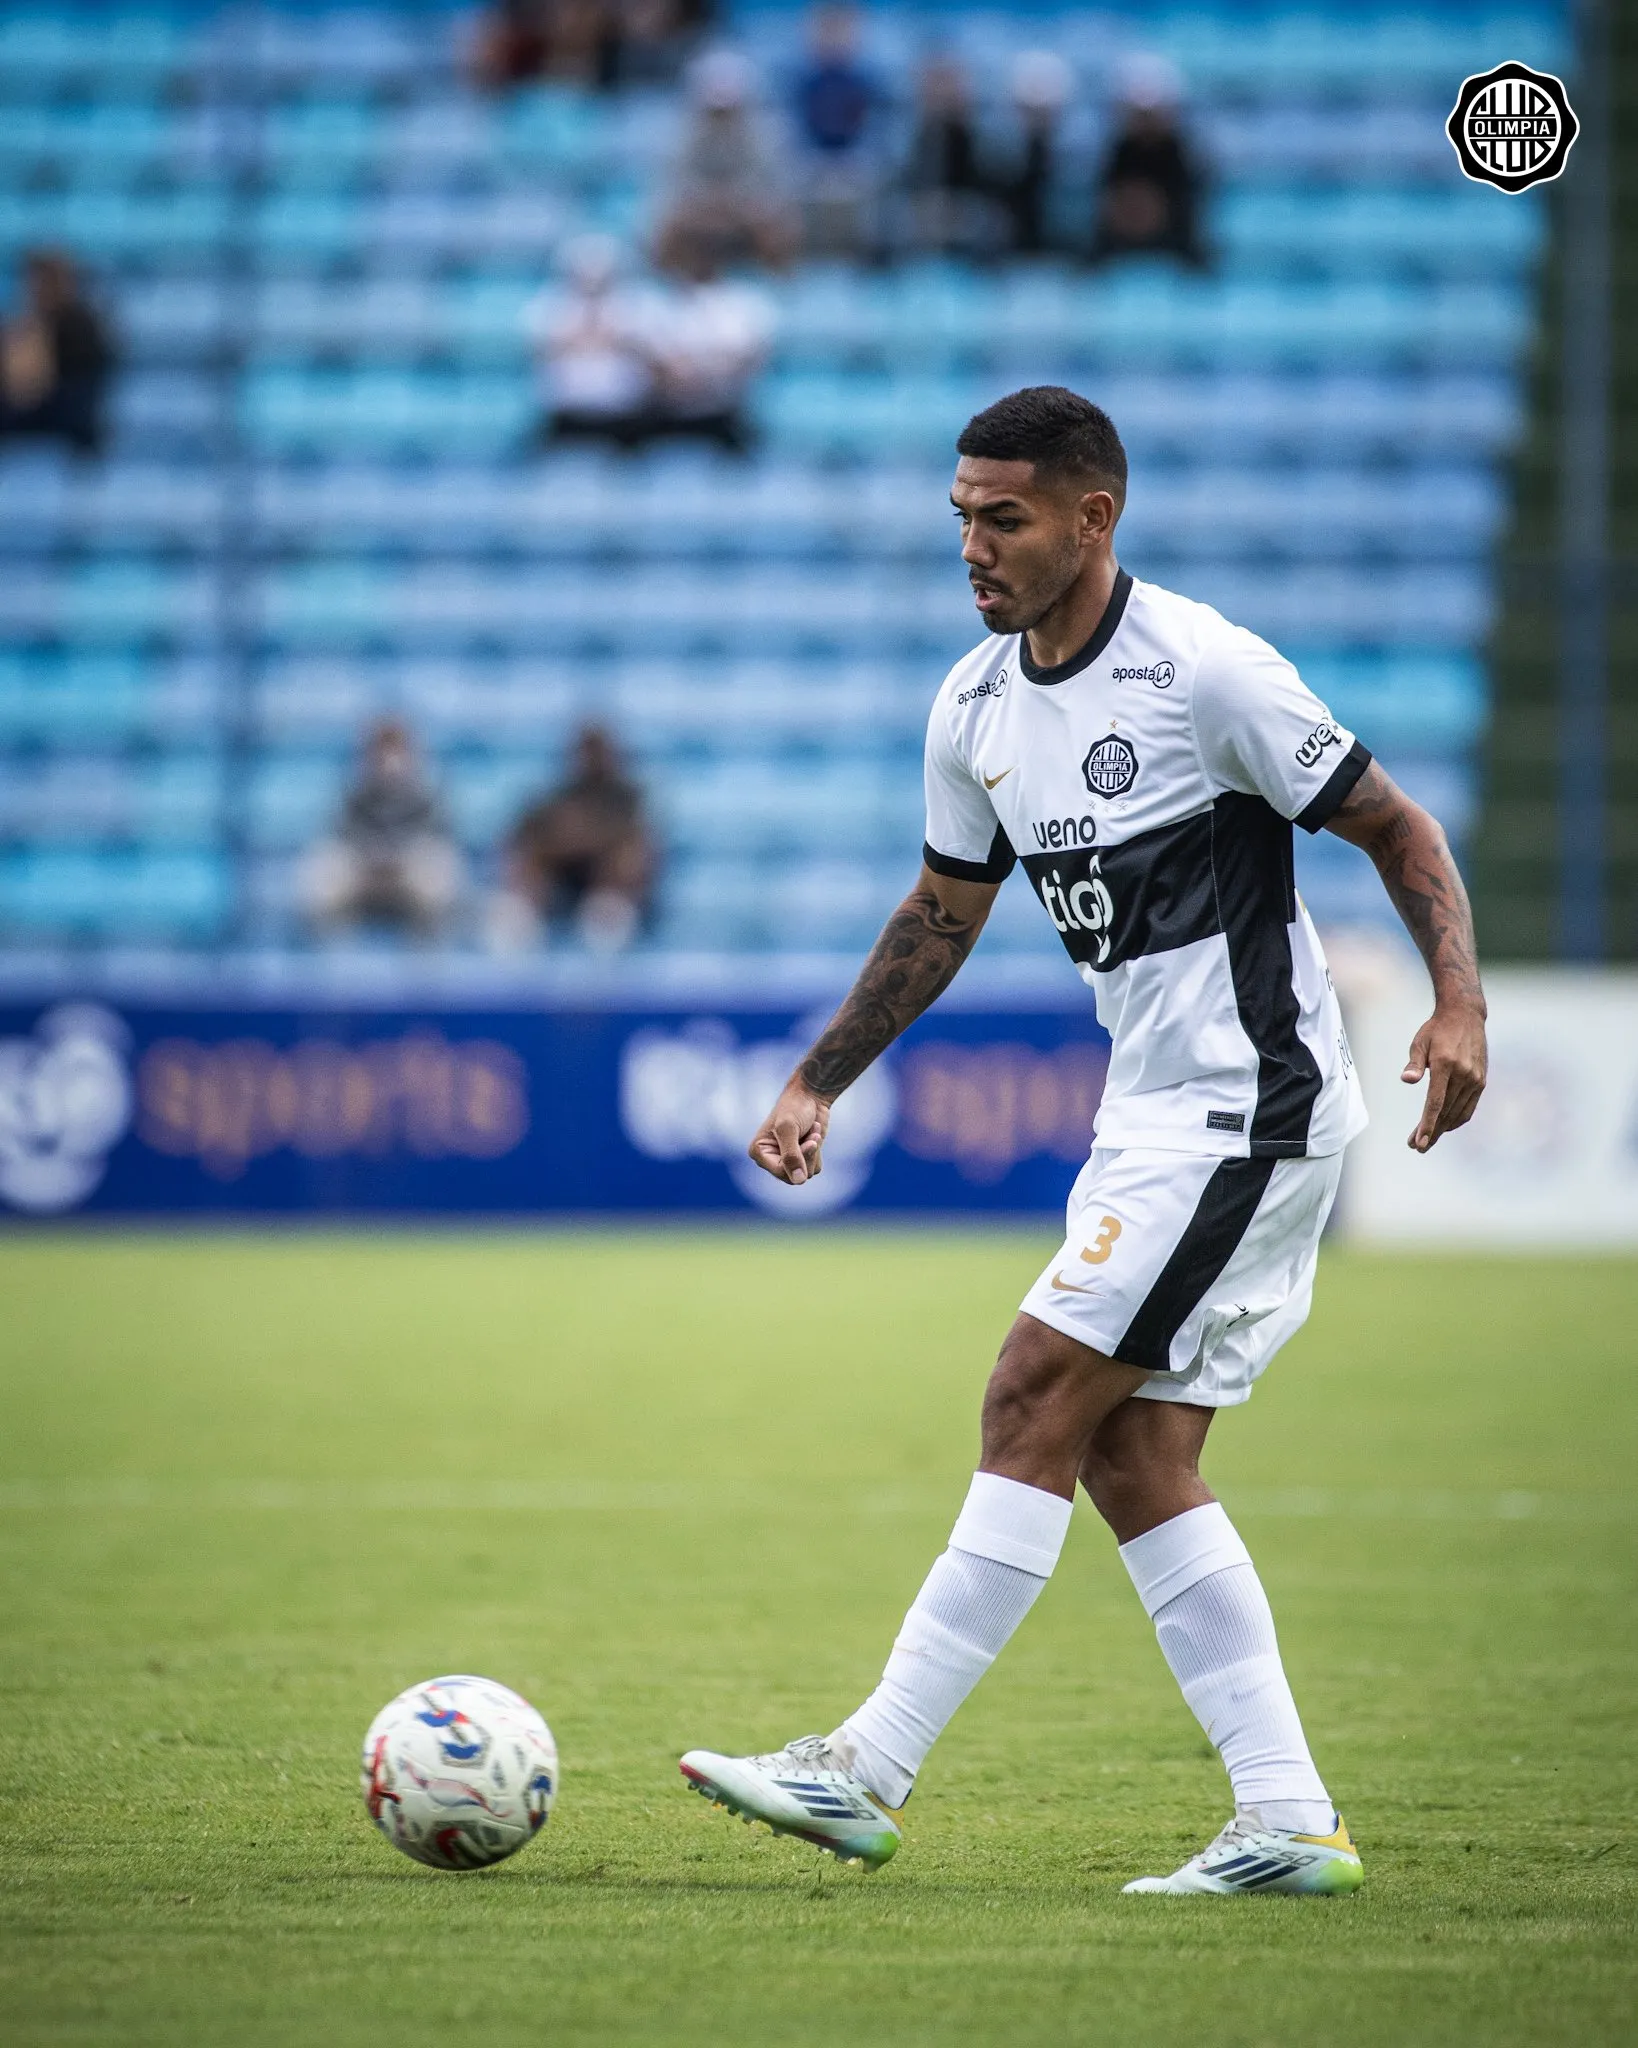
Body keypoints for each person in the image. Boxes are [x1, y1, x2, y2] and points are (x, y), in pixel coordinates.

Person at [679, 386, 1488, 1895]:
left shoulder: (1205, 673)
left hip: (1250, 1105)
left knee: (1027, 1390)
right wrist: (818, 1080)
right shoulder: (973, 709)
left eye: (1006, 517)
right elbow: (941, 915)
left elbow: (1394, 826)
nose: (974, 546)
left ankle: (864, 1767)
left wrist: (1455, 1004)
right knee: (1130, 1451)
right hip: (1154, 1116)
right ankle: (1285, 1823)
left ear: (1091, 516)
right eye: (960, 517)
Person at [489, 723, 654, 953]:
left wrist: (576, 839)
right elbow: (521, 838)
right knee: (514, 901)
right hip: (556, 887)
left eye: (598, 751)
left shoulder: (628, 801)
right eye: (586, 751)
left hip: (608, 893)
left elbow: (631, 851)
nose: (591, 759)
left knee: (613, 899)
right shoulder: (558, 796)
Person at [301, 718, 464, 940]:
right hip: (362, 875)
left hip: (408, 876)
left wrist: (399, 858)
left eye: (396, 751)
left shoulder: (428, 796)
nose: (389, 761)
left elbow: (437, 839)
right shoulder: (352, 794)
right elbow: (341, 837)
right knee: (323, 872)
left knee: (439, 870)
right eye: (382, 752)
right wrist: (371, 856)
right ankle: (333, 958)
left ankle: (430, 960)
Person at [657, 48, 798, 272]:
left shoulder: (766, 135)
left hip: (746, 209)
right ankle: (675, 290)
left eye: (730, 109)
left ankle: (778, 288)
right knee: (669, 228)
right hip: (700, 208)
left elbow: (771, 186)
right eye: (714, 110)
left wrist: (735, 203)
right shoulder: (682, 136)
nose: (722, 116)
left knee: (776, 228)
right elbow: (677, 182)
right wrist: (709, 202)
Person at [527, 235, 664, 450]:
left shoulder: (638, 305)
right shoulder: (549, 306)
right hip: (567, 415)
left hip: (626, 415)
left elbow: (648, 352)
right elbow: (543, 350)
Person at [646, 227, 773, 452]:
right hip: (668, 412)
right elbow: (657, 362)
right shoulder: (661, 302)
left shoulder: (743, 303)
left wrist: (700, 371)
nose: (698, 260)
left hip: (725, 414)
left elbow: (745, 360)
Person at [1090, 56, 1209, 269]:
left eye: (1151, 113)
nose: (1145, 121)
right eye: (1138, 113)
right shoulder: (1112, 155)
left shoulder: (1188, 161)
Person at [0, 250, 117, 458]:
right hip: (34, 411)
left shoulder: (81, 324)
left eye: (40, 282)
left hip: (70, 415)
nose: (33, 289)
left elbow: (31, 382)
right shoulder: (26, 323)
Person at [791, 4, 884, 258]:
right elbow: (791, 135)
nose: (834, 38)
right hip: (809, 163)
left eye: (841, 30)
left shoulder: (868, 82)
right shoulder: (799, 82)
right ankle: (802, 262)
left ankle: (863, 266)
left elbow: (875, 134)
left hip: (855, 163)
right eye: (827, 30)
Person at [901, 55, 1003, 259]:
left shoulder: (979, 136)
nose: (942, 93)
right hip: (922, 214)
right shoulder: (912, 134)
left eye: (948, 84)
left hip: (968, 214)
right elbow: (905, 184)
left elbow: (992, 188)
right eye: (935, 85)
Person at [997, 49, 1074, 256]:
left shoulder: (1081, 164)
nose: (1038, 117)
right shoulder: (997, 161)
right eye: (1029, 109)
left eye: (1045, 109)